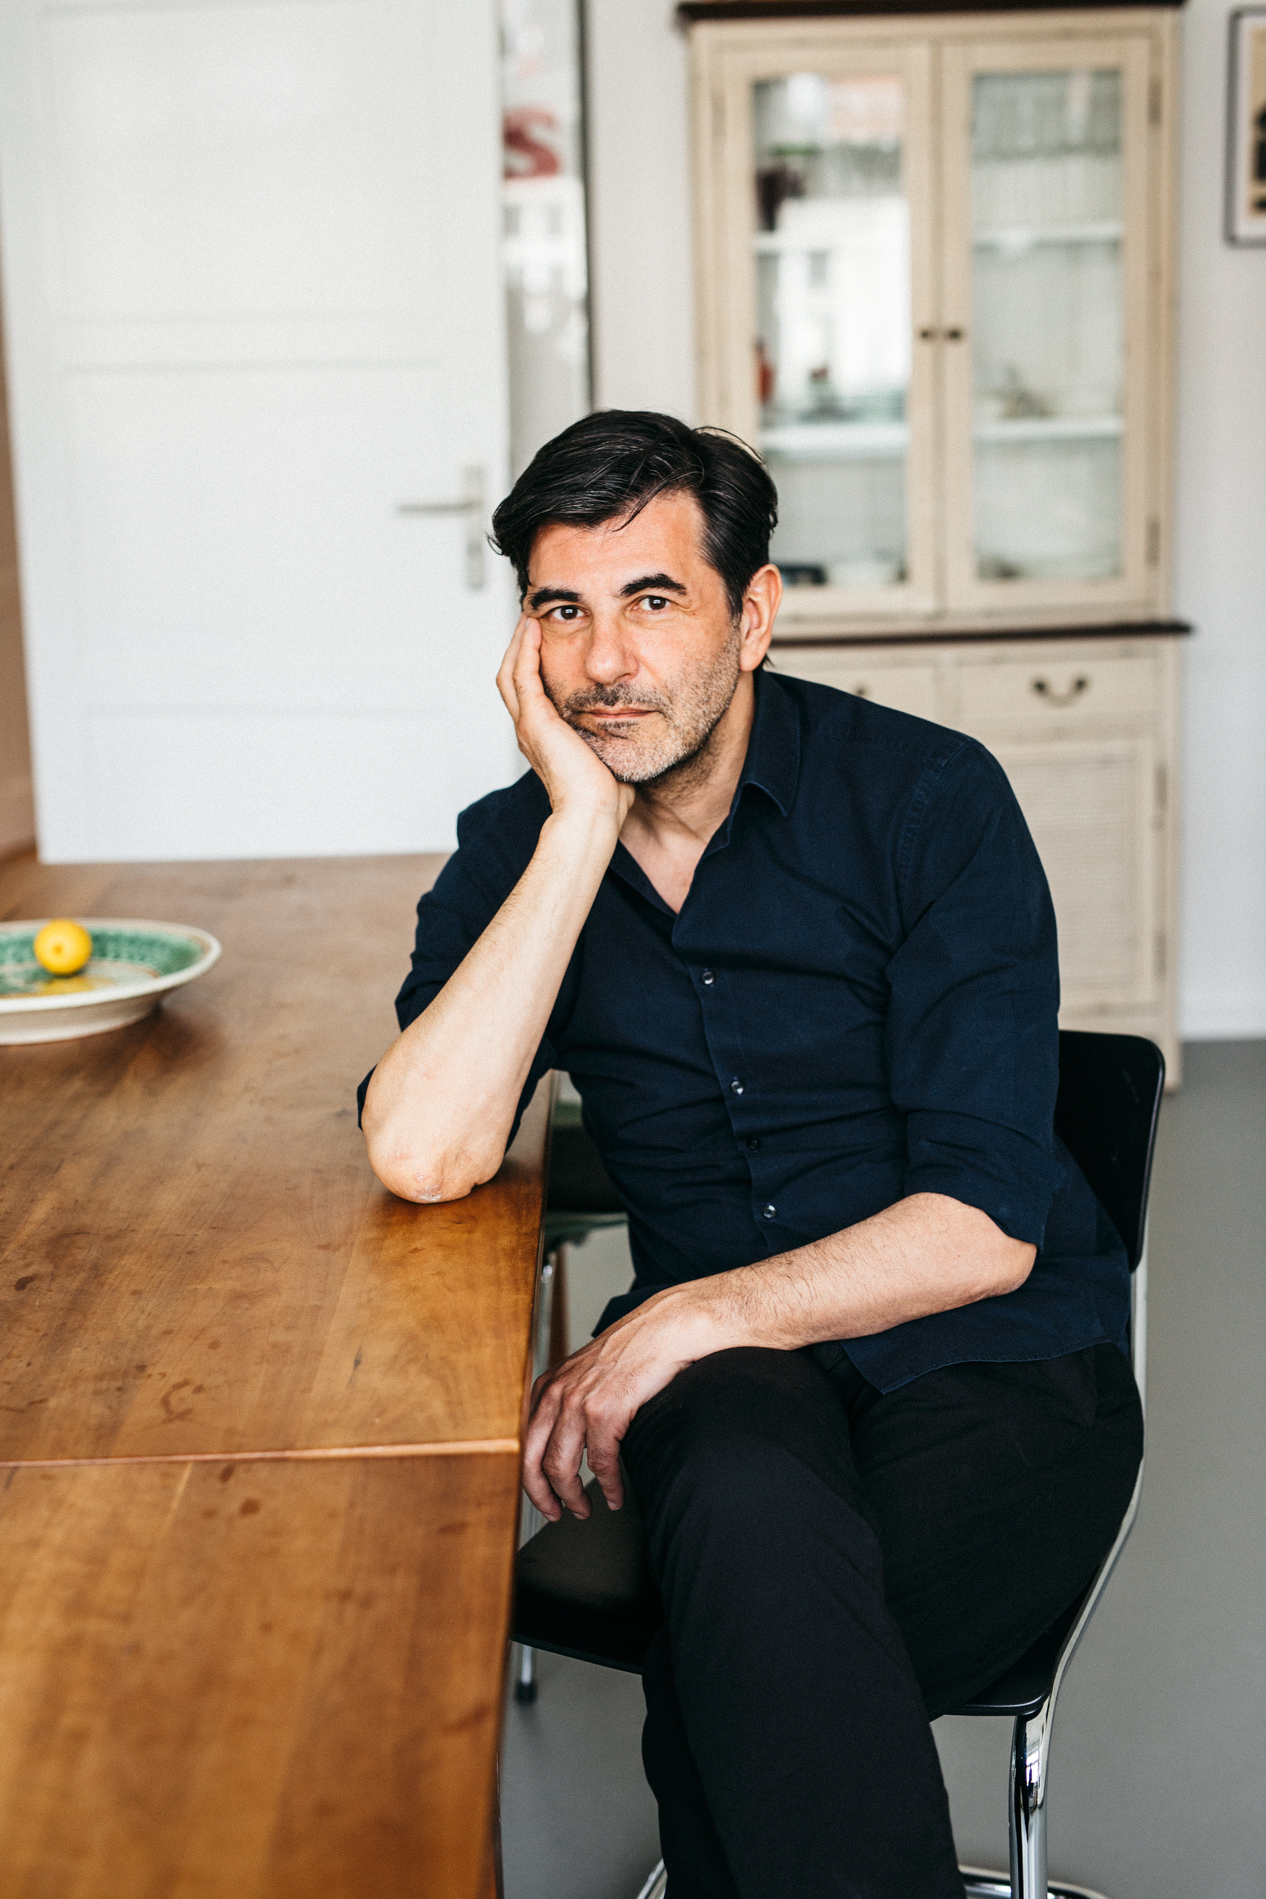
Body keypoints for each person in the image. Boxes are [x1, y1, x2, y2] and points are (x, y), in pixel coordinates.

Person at [359, 411, 1143, 1898]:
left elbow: (983, 1224)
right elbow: (421, 1150)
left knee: (743, 1648)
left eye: (651, 600)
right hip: (730, 1401)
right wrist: (578, 829)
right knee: (749, 1555)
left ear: (754, 614)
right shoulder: (520, 846)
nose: (603, 662)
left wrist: (678, 1319)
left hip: (989, 1355)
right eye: (560, 611)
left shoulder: (926, 800)